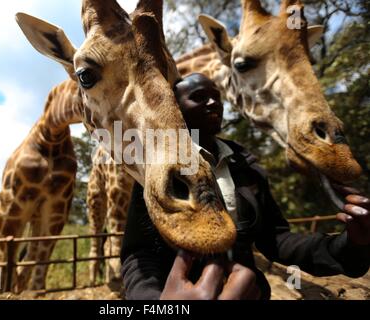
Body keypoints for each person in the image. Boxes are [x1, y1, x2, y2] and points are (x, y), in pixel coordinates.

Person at [120, 73, 370, 300]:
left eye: (216, 97)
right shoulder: (159, 169)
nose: (213, 103)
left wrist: (348, 245)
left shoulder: (243, 163)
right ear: (175, 109)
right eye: (199, 98)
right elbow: (138, 255)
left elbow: (275, 239)